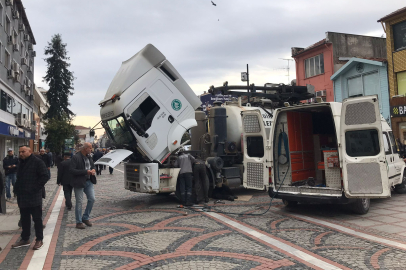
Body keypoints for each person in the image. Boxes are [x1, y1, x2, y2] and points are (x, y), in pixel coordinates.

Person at [12, 145, 48, 250]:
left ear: (30, 151)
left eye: (23, 151)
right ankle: (25, 238)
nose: (21, 153)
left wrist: (34, 188)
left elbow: (45, 176)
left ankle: (39, 239)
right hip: (22, 195)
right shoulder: (20, 162)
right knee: (24, 218)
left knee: (37, 219)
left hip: (34, 195)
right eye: (20, 152)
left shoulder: (37, 162)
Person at [70, 142, 96, 229]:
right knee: (79, 202)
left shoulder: (89, 157)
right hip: (79, 182)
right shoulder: (76, 157)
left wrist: (93, 170)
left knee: (92, 199)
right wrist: (85, 171)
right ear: (85, 149)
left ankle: (85, 217)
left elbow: (93, 166)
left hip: (89, 181)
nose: (91, 150)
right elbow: (72, 170)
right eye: (90, 148)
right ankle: (79, 222)